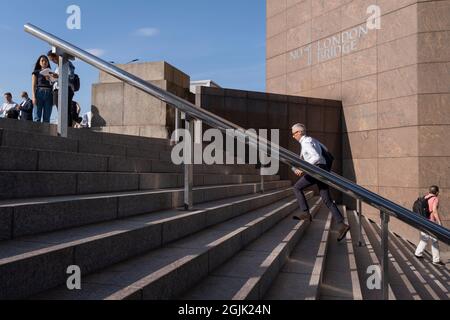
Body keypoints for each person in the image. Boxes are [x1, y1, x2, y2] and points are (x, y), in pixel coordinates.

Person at [291, 123, 350, 242]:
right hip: (322, 170)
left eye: (293, 134)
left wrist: (302, 169)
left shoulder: (306, 142)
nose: (293, 136)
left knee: (297, 188)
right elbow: (326, 152)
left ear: (299, 132)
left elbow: (316, 157)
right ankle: (342, 225)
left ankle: (306, 213)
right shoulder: (313, 140)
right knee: (326, 199)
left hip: (316, 170)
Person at [415, 186, 446, 267]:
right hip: (431, 222)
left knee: (424, 237)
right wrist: (439, 222)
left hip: (423, 220)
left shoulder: (425, 197)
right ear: (436, 192)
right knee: (434, 240)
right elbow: (434, 210)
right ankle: (436, 260)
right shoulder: (435, 199)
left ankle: (418, 253)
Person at [47, 51, 75, 127]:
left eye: (53, 59)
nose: (53, 61)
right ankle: (62, 126)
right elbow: (55, 80)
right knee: (59, 109)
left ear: (57, 56)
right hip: (56, 89)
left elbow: (71, 77)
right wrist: (50, 78)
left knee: (66, 109)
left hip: (66, 89)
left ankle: (68, 127)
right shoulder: (57, 67)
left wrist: (58, 76)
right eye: (51, 60)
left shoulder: (67, 63)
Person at [32, 55, 54, 122]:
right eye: (42, 60)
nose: (44, 62)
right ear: (39, 62)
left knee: (47, 117)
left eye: (46, 61)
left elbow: (54, 84)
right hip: (39, 92)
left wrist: (50, 79)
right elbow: (33, 85)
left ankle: (46, 132)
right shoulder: (36, 72)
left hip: (49, 93)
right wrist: (33, 97)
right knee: (37, 116)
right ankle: (35, 131)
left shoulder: (51, 72)